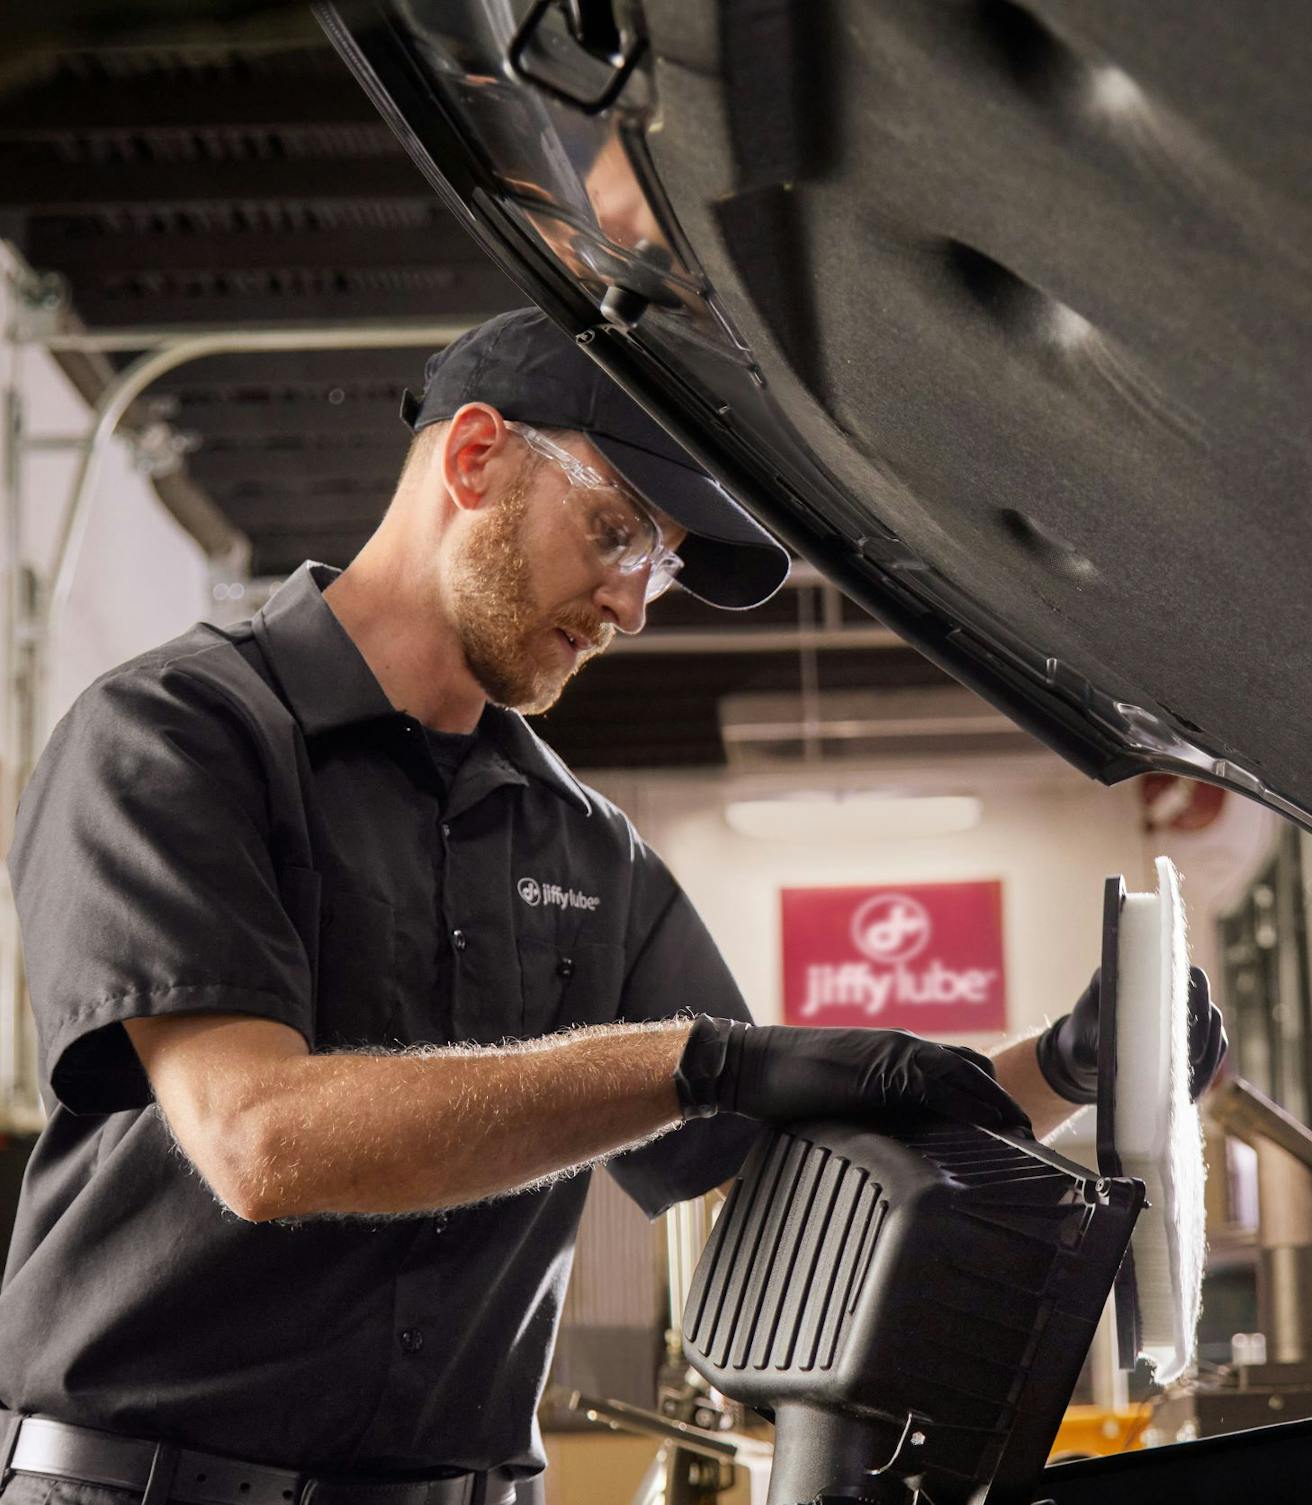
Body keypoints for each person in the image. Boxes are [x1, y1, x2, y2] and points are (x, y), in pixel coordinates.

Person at [0, 309, 1224, 1505]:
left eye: (666, 566)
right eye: (620, 531)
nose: (636, 606)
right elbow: (259, 1142)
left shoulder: (588, 846)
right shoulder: (176, 736)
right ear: (475, 457)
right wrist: (694, 1058)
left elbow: (787, 1169)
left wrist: (1062, 1069)